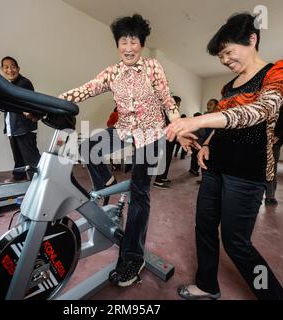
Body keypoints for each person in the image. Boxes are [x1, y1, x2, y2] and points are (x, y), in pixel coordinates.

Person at [167, 12, 283, 300]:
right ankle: (207, 285)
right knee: (204, 227)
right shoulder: (229, 86)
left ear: (252, 39)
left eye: (228, 52)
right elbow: (226, 122)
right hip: (215, 168)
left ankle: (274, 295)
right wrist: (207, 144)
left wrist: (199, 121)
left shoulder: (277, 73)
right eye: (220, 56)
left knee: (236, 242)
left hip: (247, 173)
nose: (224, 60)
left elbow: (259, 112)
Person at [59, 14, 191, 287]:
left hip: (151, 135)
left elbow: (167, 100)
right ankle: (105, 180)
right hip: (123, 130)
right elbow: (86, 90)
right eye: (123, 42)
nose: (129, 47)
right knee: (87, 148)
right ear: (117, 45)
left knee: (139, 195)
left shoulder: (153, 67)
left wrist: (178, 124)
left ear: (141, 44)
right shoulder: (112, 73)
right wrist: (52, 101)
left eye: (134, 41)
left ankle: (133, 257)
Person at [0, 57, 40, 182]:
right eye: (6, 67)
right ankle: (19, 176)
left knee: (32, 159)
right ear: (2, 70)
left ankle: (43, 181)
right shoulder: (8, 85)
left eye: (13, 66)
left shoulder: (24, 83)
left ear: (18, 68)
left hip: (24, 128)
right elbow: (2, 101)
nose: (10, 70)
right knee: (18, 157)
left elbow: (11, 99)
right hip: (13, 127)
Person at [265, 100, 283, 206]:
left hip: (274, 142)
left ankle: (270, 196)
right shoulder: (262, 101)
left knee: (270, 168)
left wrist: (278, 136)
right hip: (258, 141)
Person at [154, 95, 182, 189]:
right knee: (164, 159)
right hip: (166, 138)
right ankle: (158, 180)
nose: (178, 106)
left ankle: (163, 177)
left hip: (170, 139)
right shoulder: (167, 112)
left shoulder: (171, 112)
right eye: (178, 104)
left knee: (168, 158)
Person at [188, 112, 206, 176]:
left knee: (193, 157)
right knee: (196, 158)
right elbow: (203, 134)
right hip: (198, 144)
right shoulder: (199, 125)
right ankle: (194, 170)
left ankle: (192, 169)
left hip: (193, 143)